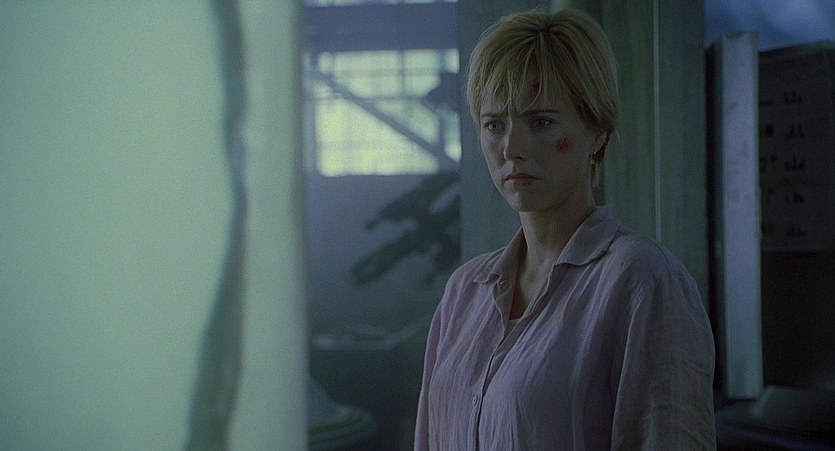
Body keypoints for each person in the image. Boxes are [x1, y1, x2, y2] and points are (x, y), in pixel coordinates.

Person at [414, 8, 715, 450]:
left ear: (596, 131)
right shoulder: (465, 292)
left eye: (540, 122)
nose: (512, 148)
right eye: (494, 125)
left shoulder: (642, 282)